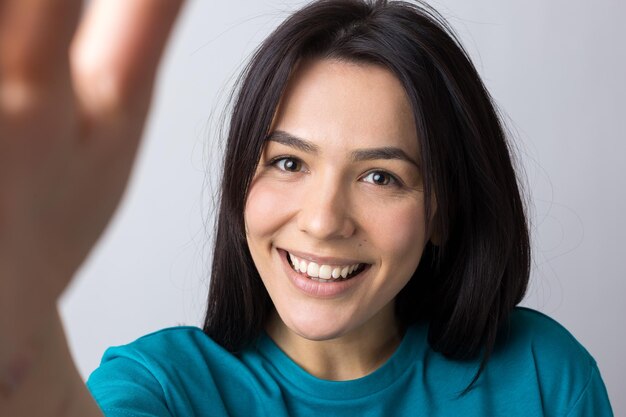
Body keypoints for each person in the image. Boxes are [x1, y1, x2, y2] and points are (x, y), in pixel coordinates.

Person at [0, 0, 614, 416]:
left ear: (443, 212)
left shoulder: (541, 378)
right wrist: (18, 317)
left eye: (380, 176)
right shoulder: (164, 389)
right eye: (289, 163)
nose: (322, 221)